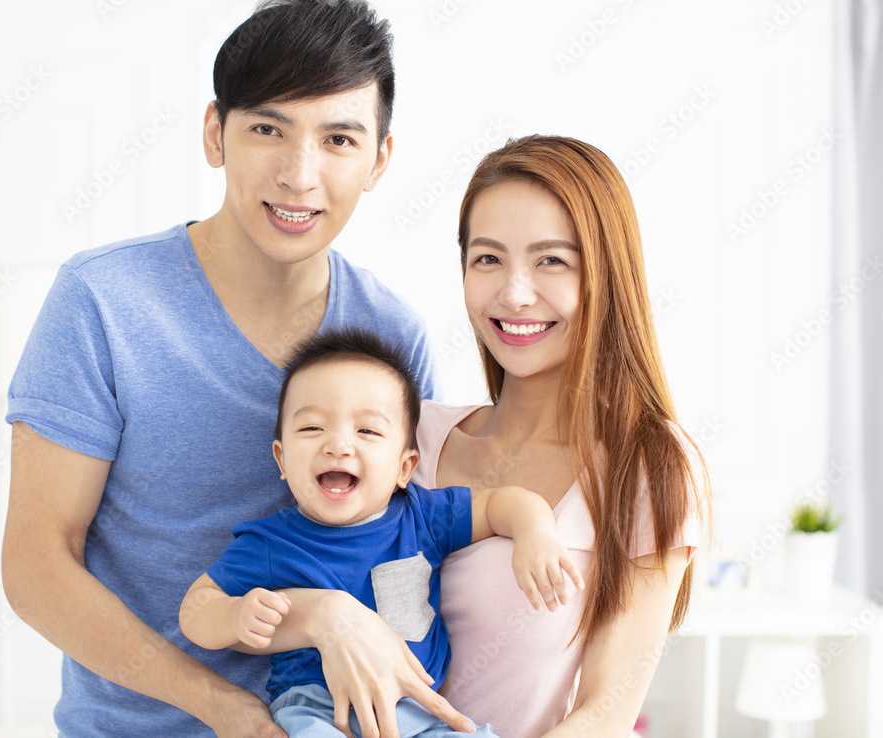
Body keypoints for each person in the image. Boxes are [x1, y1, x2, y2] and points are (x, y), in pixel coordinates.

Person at [0, 2, 462, 736]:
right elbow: (36, 567)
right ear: (216, 134)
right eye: (267, 128)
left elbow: (409, 544)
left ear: (379, 160)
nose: (299, 175)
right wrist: (223, 708)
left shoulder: (393, 333)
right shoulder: (103, 300)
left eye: (338, 138)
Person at [270, 135, 712, 737]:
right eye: (488, 259)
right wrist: (325, 615)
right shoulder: (407, 437)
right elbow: (283, 578)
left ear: (607, 273)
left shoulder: (650, 465)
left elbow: (604, 715)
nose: (514, 292)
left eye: (551, 259)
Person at [179, 328, 584, 737]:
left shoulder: (423, 517)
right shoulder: (271, 543)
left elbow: (503, 502)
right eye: (312, 429)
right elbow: (195, 608)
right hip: (318, 710)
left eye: (367, 431)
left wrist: (536, 533)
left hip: (418, 711)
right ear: (282, 460)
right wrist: (234, 615)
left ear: (405, 468)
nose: (338, 445)